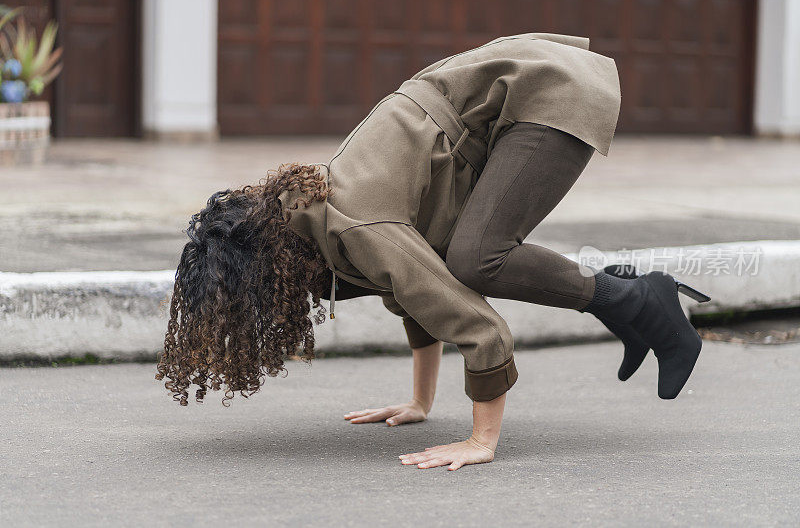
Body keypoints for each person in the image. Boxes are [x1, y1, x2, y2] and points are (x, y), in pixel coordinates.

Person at [156, 32, 710, 471]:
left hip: (542, 92)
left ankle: (642, 300)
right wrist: (420, 403)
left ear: (264, 267)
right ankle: (636, 299)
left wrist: (479, 441)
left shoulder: (353, 226)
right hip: (495, 105)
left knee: (476, 260)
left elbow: (475, 323)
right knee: (454, 257)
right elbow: (410, 290)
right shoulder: (308, 222)